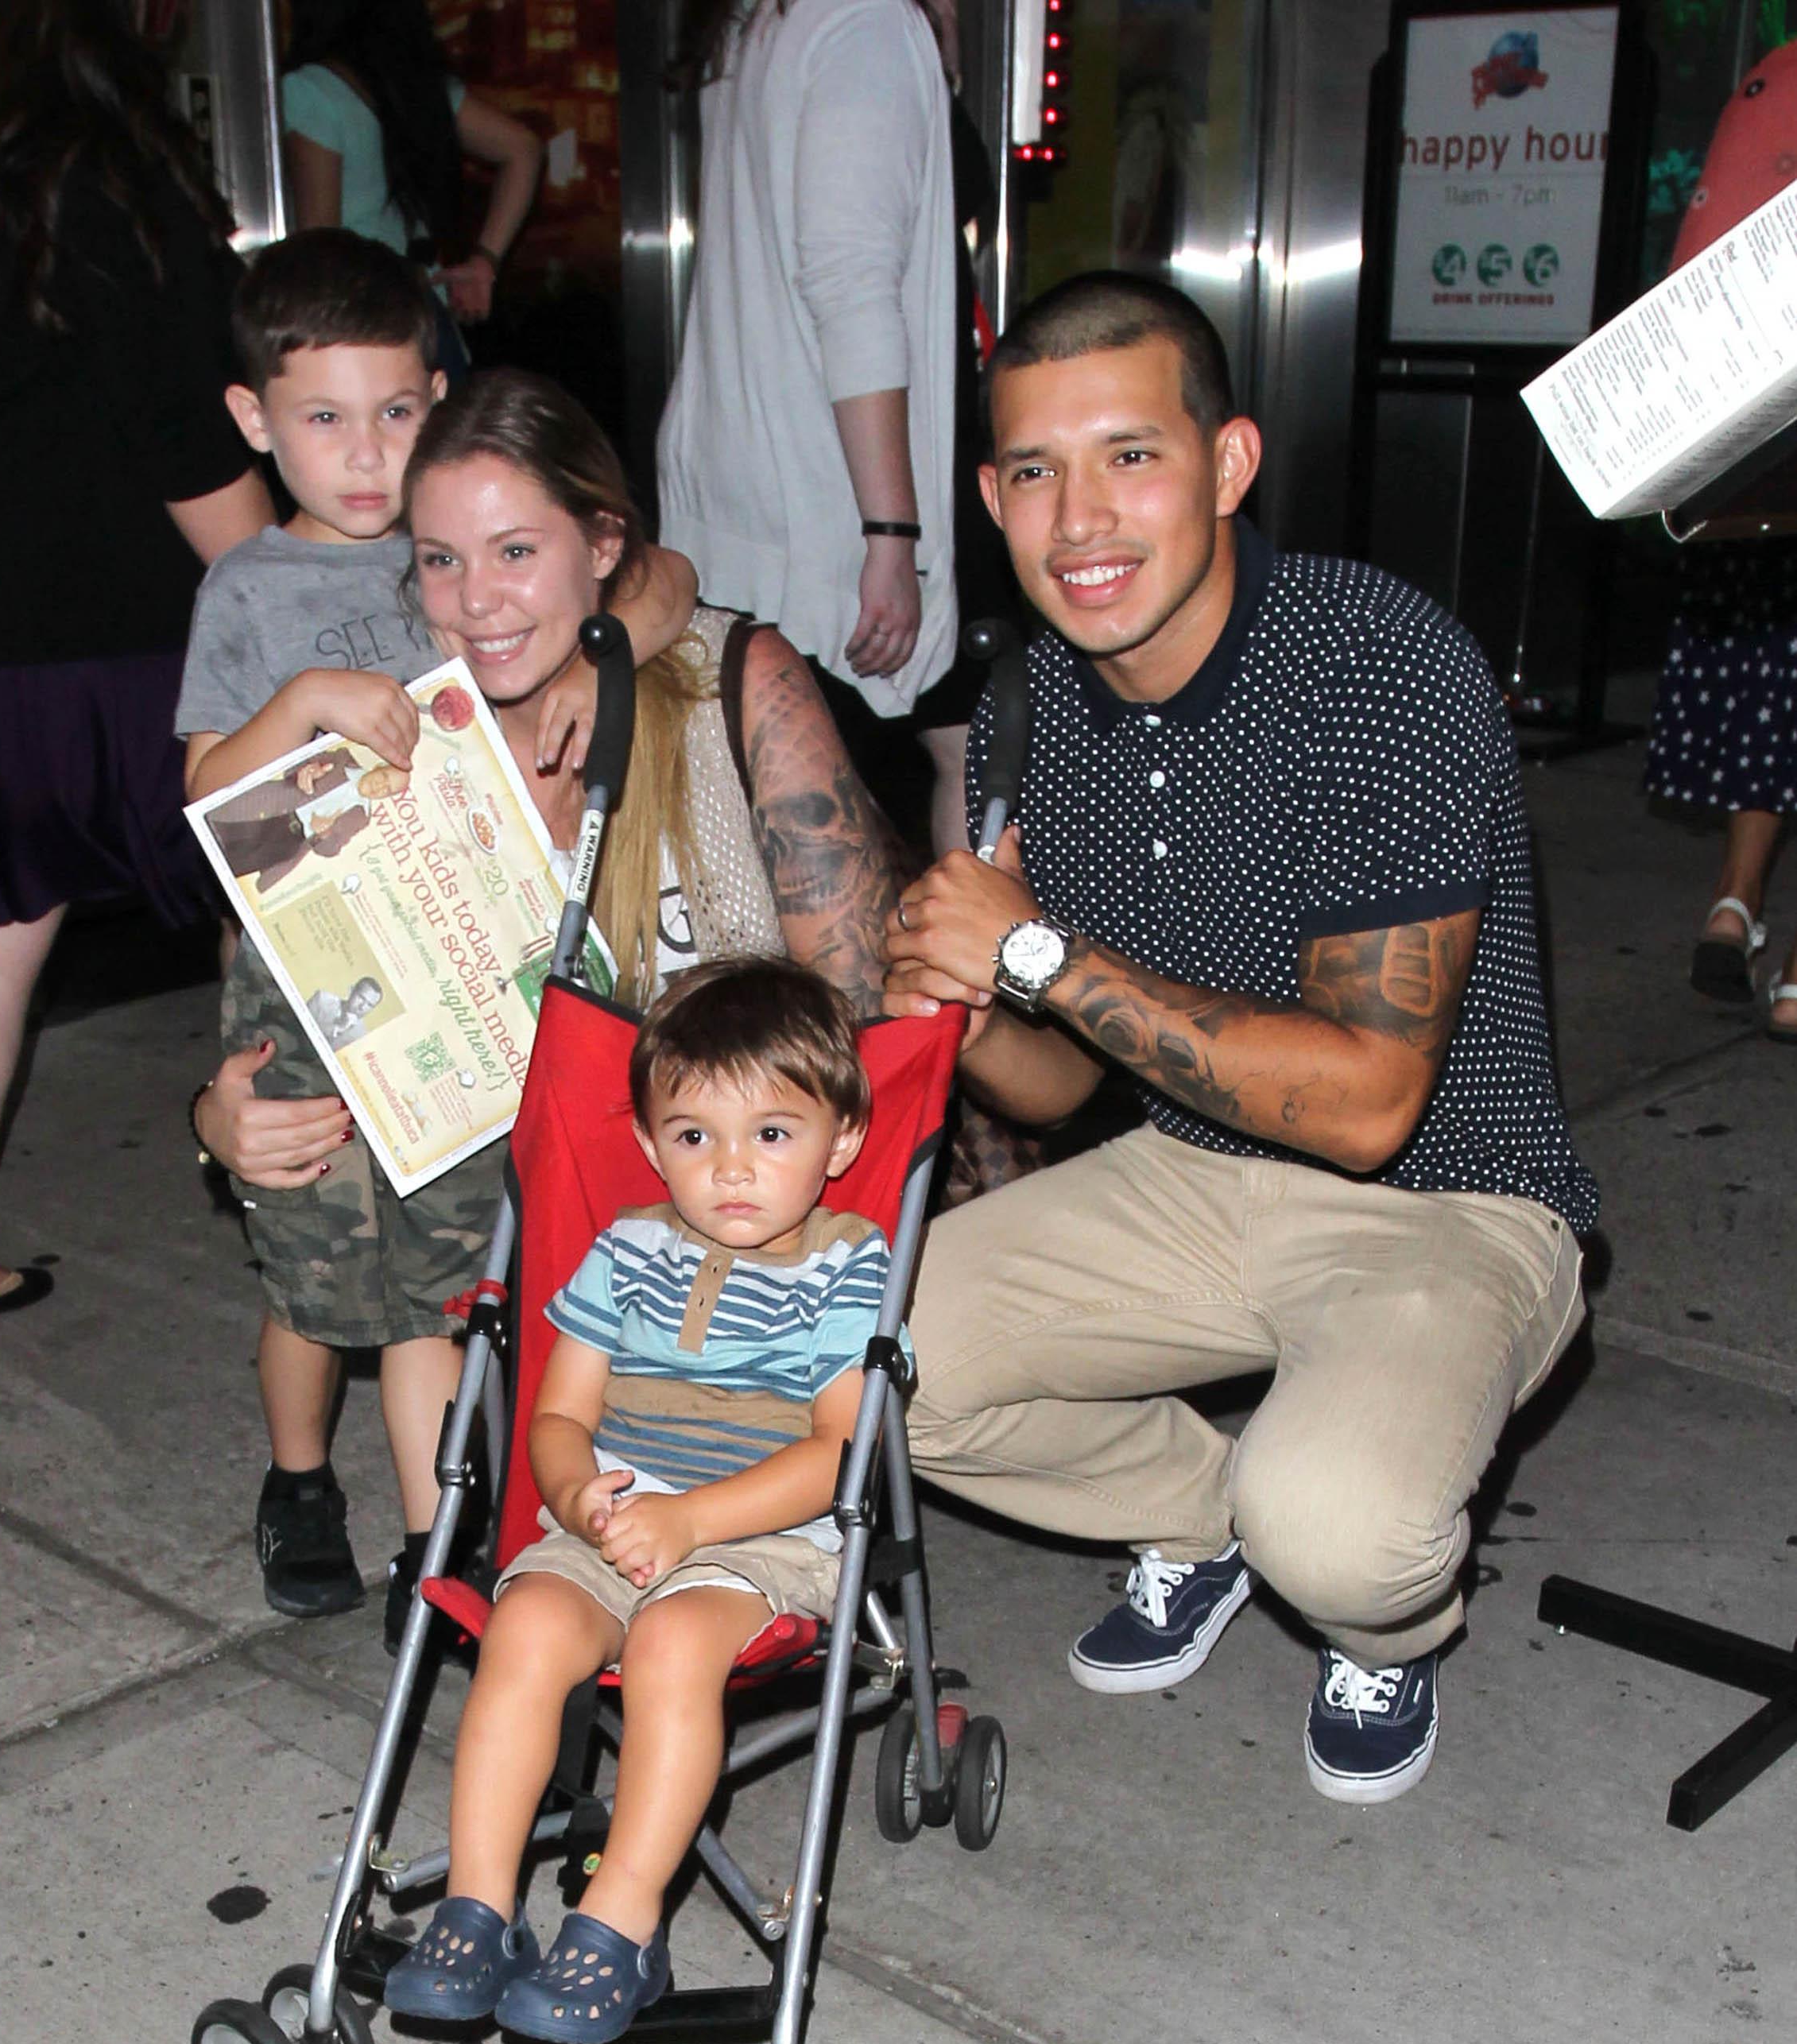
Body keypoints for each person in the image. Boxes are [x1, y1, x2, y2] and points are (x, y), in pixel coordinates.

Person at [885, 273, 1598, 1806]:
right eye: (1031, 471)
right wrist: (950, 1008)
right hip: (1195, 1174)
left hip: (1447, 1203)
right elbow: (1065, 1075)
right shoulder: (1032, 704)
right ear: (989, 497)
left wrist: (1030, 950)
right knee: (878, 1356)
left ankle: (1373, 1622)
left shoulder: (1379, 670)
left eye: (1128, 456)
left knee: (1338, 1528)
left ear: (1224, 466)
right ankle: (1201, 1521)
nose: (1078, 519)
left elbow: (1364, 1106)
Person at [188, 333, 903, 1633]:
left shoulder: (730, 688)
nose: (474, 601)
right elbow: (306, 982)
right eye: (441, 562)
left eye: (516, 552)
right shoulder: (405, 743)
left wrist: (618, 647)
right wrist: (217, 1122)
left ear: (604, 546)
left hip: (712, 1210)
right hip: (529, 1234)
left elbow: (866, 1022)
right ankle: (392, 1523)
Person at [179, 233, 700, 1628]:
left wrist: (614, 651)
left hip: (454, 963)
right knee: (309, 1280)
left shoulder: (443, 549)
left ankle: (433, 1548)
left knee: (431, 1289)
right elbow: (201, 794)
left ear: (437, 392)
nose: (366, 453)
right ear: (254, 423)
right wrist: (299, 708)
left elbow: (656, 571)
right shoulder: (249, 589)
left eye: (398, 411)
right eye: (324, 420)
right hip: (309, 977)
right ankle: (298, 1474)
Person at [0, 0, 273, 1343]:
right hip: (93, 617)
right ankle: (351, 1203)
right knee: (294, 892)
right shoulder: (105, 164)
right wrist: (283, 585)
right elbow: (176, 427)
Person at [382, 958, 895, 2043]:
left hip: (760, 1537)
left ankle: (614, 1919)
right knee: (520, 1628)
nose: (730, 1170)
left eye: (771, 1133)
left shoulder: (847, 1266)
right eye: (693, 1136)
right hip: (609, 1522)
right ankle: (477, 1909)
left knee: (668, 1646)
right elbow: (560, 1416)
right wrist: (572, 1496)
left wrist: (693, 1521)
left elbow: (838, 1449)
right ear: (652, 1142)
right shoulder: (625, 1252)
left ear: (839, 1141)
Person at [658, 0, 960, 838]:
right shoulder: (856, 21)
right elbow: (852, 289)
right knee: (866, 820)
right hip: (824, 502)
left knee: (782, 820)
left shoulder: (754, 19)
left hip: (751, 499)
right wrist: (892, 532)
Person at [1644, 43, 1797, 1041]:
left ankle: (1731, 905)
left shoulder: (1770, 79)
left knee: (1771, 686)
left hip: (1754, 450)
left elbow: (1689, 271)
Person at [281, 0, 541, 361]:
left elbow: (320, 246)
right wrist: (485, 261)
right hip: (428, 316)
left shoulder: (310, 91)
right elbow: (523, 148)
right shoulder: (420, 87)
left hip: (359, 326)